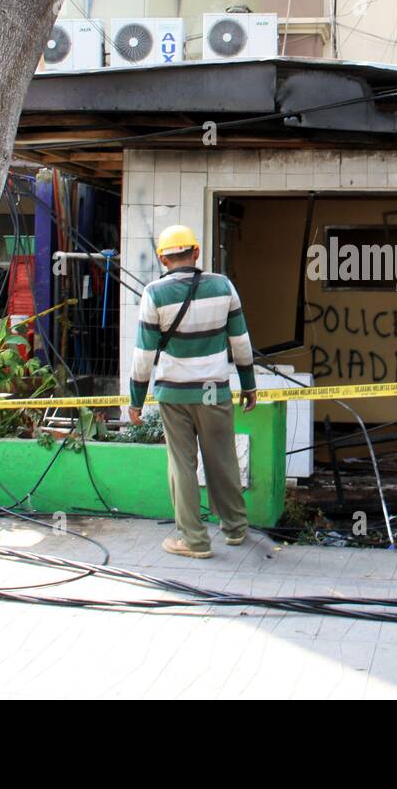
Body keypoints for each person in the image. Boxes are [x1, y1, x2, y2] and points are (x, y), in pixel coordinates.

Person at [128, 224, 257, 559]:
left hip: (174, 395)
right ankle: (235, 528)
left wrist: (136, 399)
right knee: (222, 459)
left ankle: (195, 541)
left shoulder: (154, 293)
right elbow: (240, 342)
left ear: (162, 258)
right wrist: (249, 385)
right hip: (215, 391)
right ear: (196, 253)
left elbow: (143, 355)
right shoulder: (222, 286)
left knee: (182, 465)